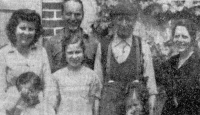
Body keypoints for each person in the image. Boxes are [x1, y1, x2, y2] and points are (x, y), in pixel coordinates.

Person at [99, 2, 158, 115]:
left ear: (135, 21)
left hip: (134, 108)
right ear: (113, 21)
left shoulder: (142, 46)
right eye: (120, 19)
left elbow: (151, 88)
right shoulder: (103, 46)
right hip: (110, 108)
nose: (124, 24)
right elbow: (97, 86)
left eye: (128, 19)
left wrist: (151, 111)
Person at [0, 9, 56, 115]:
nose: (26, 33)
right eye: (22, 28)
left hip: (37, 110)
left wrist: (49, 108)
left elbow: (48, 84)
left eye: (31, 29)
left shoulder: (41, 51)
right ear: (14, 29)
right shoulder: (3, 53)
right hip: (13, 109)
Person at [44, 0, 102, 80]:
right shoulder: (51, 43)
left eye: (77, 14)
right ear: (62, 15)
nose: (73, 18)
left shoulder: (93, 43)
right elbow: (48, 77)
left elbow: (97, 77)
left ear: (83, 15)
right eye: (68, 14)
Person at [159, 19, 200, 115]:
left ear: (192, 38)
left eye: (185, 37)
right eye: (177, 36)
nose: (180, 40)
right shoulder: (170, 62)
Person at [53, 37, 102, 115]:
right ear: (64, 54)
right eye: (70, 53)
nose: (74, 56)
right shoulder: (56, 77)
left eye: (78, 52)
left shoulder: (92, 76)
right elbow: (52, 106)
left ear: (83, 52)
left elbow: (95, 105)